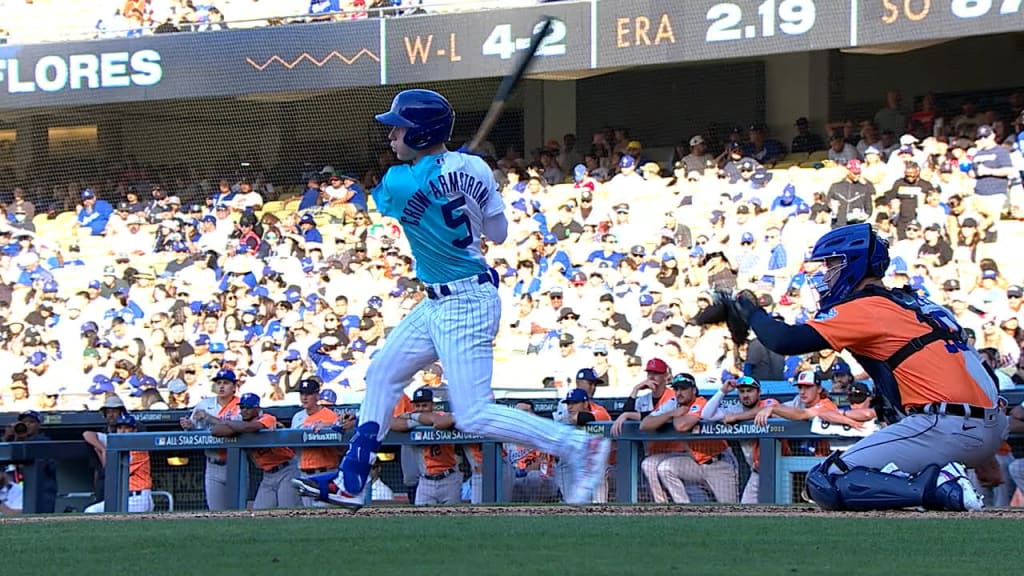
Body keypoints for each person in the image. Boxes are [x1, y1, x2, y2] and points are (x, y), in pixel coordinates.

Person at [292, 89, 609, 509]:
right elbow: (497, 234)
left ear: (422, 135)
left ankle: (576, 445)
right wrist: (459, 177)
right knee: (383, 374)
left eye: (399, 129)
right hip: (443, 299)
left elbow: (390, 201)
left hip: (465, 304)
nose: (391, 136)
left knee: (474, 413)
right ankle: (352, 480)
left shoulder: (398, 181)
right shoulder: (474, 167)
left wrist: (441, 176)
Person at [731, 223, 1007, 511]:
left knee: (825, 480)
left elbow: (783, 340)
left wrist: (751, 311)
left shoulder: (865, 307)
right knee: (889, 479)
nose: (825, 274)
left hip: (945, 427)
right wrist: (984, 454)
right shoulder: (921, 304)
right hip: (985, 425)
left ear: (855, 264)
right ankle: (943, 483)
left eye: (832, 264)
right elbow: (975, 372)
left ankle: (940, 487)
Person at [211, 392, 300, 510]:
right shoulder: (239, 421)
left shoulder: (268, 418)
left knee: (288, 510)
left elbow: (251, 427)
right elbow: (215, 431)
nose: (244, 410)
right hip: (268, 474)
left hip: (286, 469)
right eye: (242, 407)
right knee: (258, 511)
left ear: (257, 408)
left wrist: (228, 422)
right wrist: (233, 425)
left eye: (248, 408)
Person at [179, 368, 241, 511]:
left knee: (238, 510)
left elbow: (236, 427)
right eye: (218, 383)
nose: (221, 386)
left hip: (235, 463)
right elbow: (193, 429)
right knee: (216, 511)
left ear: (234, 386)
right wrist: (188, 426)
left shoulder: (240, 405)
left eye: (226, 383)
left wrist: (209, 418)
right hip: (212, 463)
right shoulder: (204, 404)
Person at [83, 414, 153, 513]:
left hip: (138, 498)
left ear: (134, 430)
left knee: (92, 512)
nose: (123, 431)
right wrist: (102, 449)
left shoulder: (138, 448)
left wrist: (101, 453)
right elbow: (88, 434)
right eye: (120, 428)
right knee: (91, 511)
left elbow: (111, 470)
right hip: (125, 498)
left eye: (127, 428)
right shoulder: (116, 441)